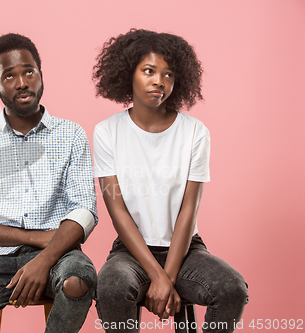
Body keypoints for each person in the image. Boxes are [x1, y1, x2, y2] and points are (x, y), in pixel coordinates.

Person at [0, 33, 98, 333]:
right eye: (9, 76)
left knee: (80, 279)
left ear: (40, 74)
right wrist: (36, 238)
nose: (22, 82)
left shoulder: (71, 135)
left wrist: (44, 259)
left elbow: (85, 210)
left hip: (60, 253)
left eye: (28, 71)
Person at [92, 29, 248, 332]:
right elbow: (117, 210)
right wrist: (157, 275)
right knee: (111, 287)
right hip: (131, 251)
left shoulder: (195, 132)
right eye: (149, 71)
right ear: (128, 74)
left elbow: (188, 210)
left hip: (185, 248)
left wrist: (169, 275)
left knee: (232, 289)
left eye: (169, 75)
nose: (159, 81)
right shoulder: (106, 132)